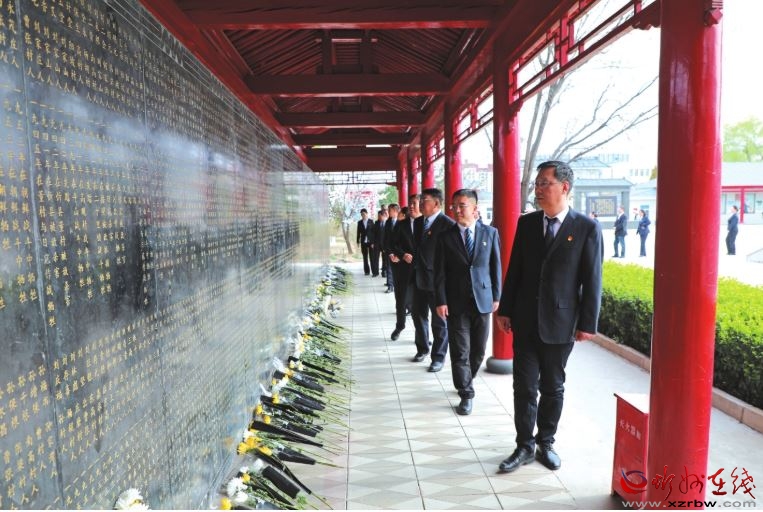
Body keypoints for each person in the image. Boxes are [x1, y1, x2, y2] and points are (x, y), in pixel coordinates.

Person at [495, 160, 603, 474]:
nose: (538, 189)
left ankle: (546, 442)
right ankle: (524, 445)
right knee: (524, 386)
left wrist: (587, 324)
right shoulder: (527, 223)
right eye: (537, 183)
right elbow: (515, 269)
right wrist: (505, 309)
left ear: (564, 187)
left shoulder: (586, 228)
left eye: (545, 183)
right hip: (526, 320)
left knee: (553, 387)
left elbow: (592, 280)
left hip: (561, 323)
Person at [434, 189, 501, 415]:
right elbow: (440, 273)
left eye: (462, 205)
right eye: (454, 206)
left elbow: (495, 267)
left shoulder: (490, 233)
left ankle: (466, 378)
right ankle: (466, 394)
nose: (457, 210)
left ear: (474, 208)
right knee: (460, 350)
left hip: (483, 300)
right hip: (456, 302)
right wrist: (441, 300)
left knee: (478, 350)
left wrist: (497, 296)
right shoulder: (445, 237)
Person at [412, 188, 455, 371]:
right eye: (420, 200)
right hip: (417, 277)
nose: (420, 204)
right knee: (418, 315)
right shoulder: (419, 222)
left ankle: (438, 357)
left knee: (439, 322)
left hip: (437, 280)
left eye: (425, 200)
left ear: (436, 203)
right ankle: (422, 348)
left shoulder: (448, 225)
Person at [390, 198, 420, 340]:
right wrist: (402, 255)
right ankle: (399, 326)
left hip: (422, 271)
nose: (411, 207)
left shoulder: (427, 225)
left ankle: (422, 334)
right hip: (403, 269)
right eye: (410, 204)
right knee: (401, 300)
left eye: (415, 204)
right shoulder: (401, 225)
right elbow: (393, 245)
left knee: (420, 305)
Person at [383, 203, 400, 293]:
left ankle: (398, 285)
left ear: (395, 211)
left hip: (400, 250)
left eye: (389, 210)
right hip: (389, 250)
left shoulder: (401, 221)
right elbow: (386, 237)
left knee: (399, 269)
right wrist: (389, 251)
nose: (388, 212)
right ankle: (390, 286)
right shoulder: (388, 222)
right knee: (389, 268)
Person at [356, 209, 375, 275]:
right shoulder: (359, 222)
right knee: (365, 257)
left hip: (370, 242)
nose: (363, 215)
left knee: (372, 257)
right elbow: (358, 232)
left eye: (364, 214)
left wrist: (373, 242)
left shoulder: (371, 221)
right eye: (361, 214)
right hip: (363, 242)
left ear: (367, 214)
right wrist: (357, 241)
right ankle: (366, 271)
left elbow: (374, 233)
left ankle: (374, 271)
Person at [371, 209, 386, 277]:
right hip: (376, 244)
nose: (379, 217)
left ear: (384, 215)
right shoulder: (376, 223)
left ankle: (384, 272)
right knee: (375, 258)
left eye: (380, 216)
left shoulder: (387, 223)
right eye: (378, 216)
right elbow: (373, 234)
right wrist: (372, 243)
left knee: (384, 259)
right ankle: (375, 272)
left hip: (384, 244)